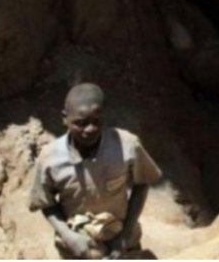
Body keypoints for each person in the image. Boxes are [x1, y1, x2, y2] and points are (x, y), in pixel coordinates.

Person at [29, 83, 162, 259]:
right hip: (78, 245)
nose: (90, 129)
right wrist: (69, 236)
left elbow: (142, 184)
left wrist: (124, 235)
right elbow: (46, 203)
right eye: (80, 123)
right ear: (65, 118)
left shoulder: (127, 145)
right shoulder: (50, 158)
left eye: (96, 121)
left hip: (122, 238)